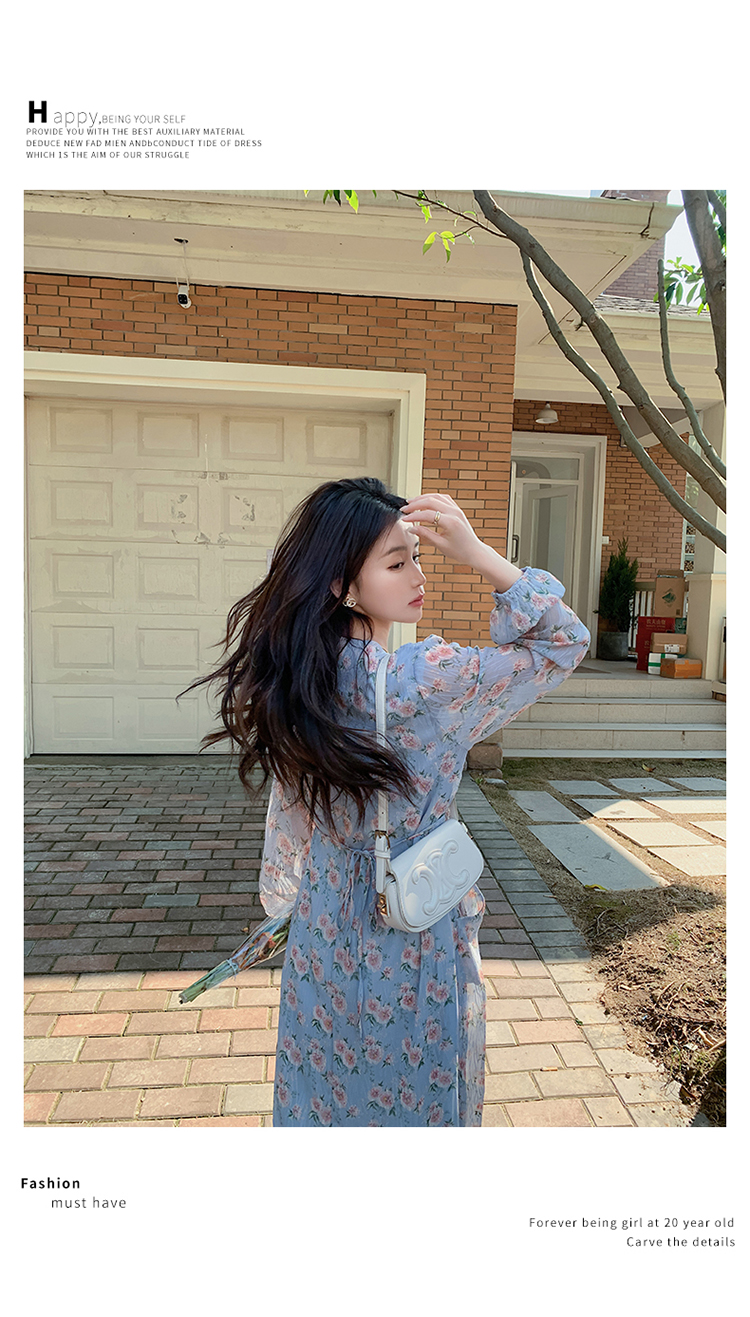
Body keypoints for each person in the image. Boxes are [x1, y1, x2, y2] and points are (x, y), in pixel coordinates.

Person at [185, 477, 590, 1126]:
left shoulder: (299, 678)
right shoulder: (427, 679)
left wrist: (289, 901)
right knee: (414, 1096)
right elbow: (563, 641)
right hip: (411, 918)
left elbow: (293, 814)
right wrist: (479, 552)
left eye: (419, 557)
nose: (419, 575)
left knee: (326, 1094)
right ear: (341, 585)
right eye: (397, 563)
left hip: (324, 920)